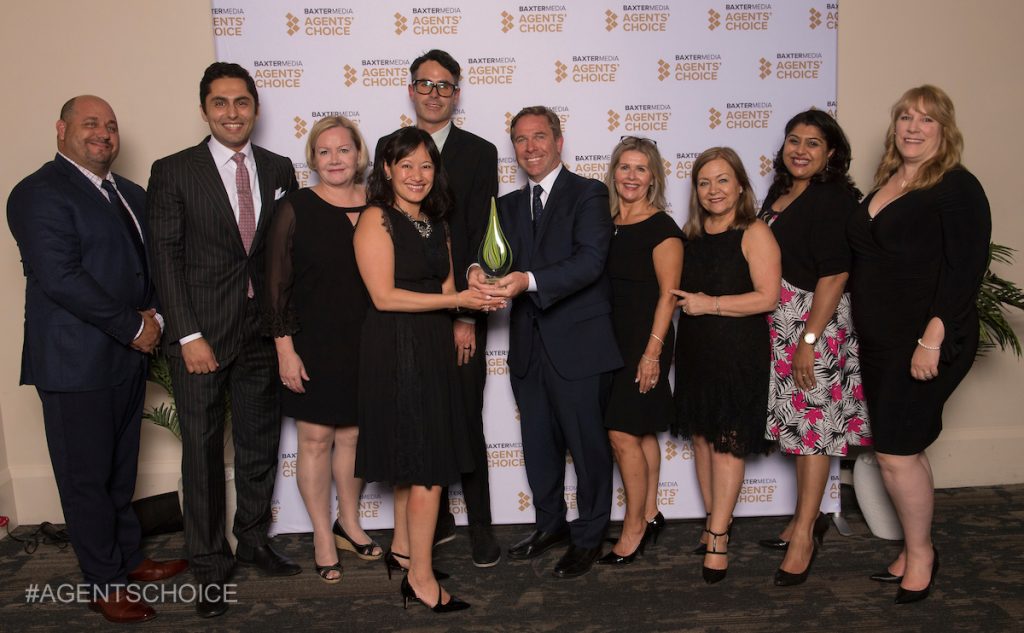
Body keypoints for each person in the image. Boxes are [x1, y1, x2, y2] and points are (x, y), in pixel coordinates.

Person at [7, 95, 187, 624]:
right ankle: (104, 582)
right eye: (90, 124)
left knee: (119, 473)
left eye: (110, 126)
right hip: (75, 363)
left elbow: (148, 267)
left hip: (128, 357)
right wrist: (135, 326)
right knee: (85, 479)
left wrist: (155, 317)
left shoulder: (129, 193)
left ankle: (127, 559)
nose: (103, 134)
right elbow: (61, 277)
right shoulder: (37, 192)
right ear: (61, 129)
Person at [147, 62, 300, 618]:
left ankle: (253, 539)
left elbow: (284, 256)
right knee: (204, 453)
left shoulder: (279, 167)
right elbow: (165, 259)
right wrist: (188, 333)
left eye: (241, 102)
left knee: (259, 444)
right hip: (202, 336)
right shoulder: (173, 171)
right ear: (204, 109)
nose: (232, 113)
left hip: (262, 333)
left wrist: (284, 332)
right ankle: (210, 566)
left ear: (255, 108)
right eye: (220, 103)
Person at [847, 85, 990, 604]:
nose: (913, 127)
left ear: (944, 130)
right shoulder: (889, 181)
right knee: (905, 448)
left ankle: (922, 555)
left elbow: (966, 268)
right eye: (906, 117)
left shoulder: (955, 186)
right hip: (881, 342)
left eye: (926, 119)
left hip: (925, 340)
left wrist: (933, 336)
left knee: (895, 452)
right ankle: (913, 548)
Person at [469, 106, 623, 579]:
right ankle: (550, 524)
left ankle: (589, 536)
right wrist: (476, 271)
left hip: (579, 346)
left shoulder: (589, 193)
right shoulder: (507, 206)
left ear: (558, 141)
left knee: (588, 447)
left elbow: (590, 261)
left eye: (539, 136)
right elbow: (492, 258)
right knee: (538, 446)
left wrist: (527, 281)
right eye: (520, 139)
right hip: (527, 348)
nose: (530, 147)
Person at [353, 126, 501, 612]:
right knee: (426, 468)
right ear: (387, 169)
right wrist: (457, 301)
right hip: (396, 348)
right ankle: (420, 579)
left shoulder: (436, 220)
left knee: (418, 459)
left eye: (426, 165)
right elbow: (383, 296)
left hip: (434, 347)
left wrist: (478, 297)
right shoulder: (376, 218)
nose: (417, 175)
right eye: (406, 165)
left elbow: (451, 286)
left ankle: (404, 553)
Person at [389, 49, 501, 566]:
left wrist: (466, 315)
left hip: (460, 309)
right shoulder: (392, 148)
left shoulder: (479, 152)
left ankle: (480, 525)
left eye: (444, 85)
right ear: (411, 89)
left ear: (457, 93)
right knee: (417, 419)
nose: (433, 94)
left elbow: (481, 233)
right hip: (405, 314)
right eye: (425, 84)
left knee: (464, 418)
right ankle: (431, 525)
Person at [756, 110, 871, 586]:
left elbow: (836, 274)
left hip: (812, 322)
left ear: (831, 153)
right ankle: (803, 519)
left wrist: (809, 339)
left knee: (815, 431)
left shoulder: (833, 198)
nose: (800, 150)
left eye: (813, 143)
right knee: (799, 428)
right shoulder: (781, 193)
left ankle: (804, 535)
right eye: (794, 140)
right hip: (780, 320)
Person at [262, 116, 379, 584]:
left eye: (343, 150)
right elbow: (275, 287)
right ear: (312, 158)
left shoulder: (381, 202)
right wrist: (285, 350)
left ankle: (348, 523)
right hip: (311, 341)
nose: (335, 159)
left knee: (353, 437)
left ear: (359, 155)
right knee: (314, 440)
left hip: (369, 339)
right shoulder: (294, 207)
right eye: (324, 151)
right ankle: (321, 535)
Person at [671, 147, 780, 584]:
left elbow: (767, 297)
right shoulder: (691, 236)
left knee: (727, 443)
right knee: (701, 438)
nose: (713, 190)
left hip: (737, 352)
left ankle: (718, 536)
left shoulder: (754, 231)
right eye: (704, 182)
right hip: (696, 350)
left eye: (722, 180)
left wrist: (710, 304)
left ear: (740, 186)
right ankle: (716, 520)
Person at [596, 137, 683, 566]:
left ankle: (632, 527)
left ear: (653, 178)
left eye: (640, 169)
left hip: (644, 340)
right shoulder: (606, 222)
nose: (631, 176)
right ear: (614, 173)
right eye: (624, 167)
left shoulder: (662, 228)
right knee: (642, 430)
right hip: (607, 339)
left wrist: (652, 353)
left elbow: (669, 295)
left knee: (622, 432)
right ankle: (650, 513)